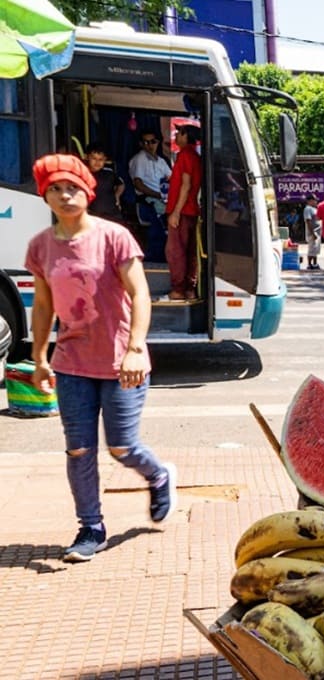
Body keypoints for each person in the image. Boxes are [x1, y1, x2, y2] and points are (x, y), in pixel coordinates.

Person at [23, 154, 176, 563]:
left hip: (120, 360)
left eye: (71, 187)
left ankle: (158, 475)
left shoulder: (114, 237)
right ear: (45, 196)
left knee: (122, 447)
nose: (64, 194)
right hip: (71, 362)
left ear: (87, 191)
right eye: (54, 188)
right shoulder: (41, 246)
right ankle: (90, 527)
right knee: (78, 450)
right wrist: (40, 357)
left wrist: (135, 348)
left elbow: (140, 294)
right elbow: (42, 306)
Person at [164, 125, 202, 300]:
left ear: (186, 136)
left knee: (176, 251)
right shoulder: (195, 156)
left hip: (183, 210)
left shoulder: (185, 155)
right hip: (192, 210)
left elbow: (185, 185)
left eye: (179, 133)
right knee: (190, 252)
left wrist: (176, 212)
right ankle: (189, 288)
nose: (176, 136)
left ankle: (178, 289)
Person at [129, 130, 171, 262]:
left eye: (153, 141)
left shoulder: (161, 161)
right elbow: (138, 184)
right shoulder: (140, 159)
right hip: (147, 201)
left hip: (163, 199)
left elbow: (171, 177)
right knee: (157, 230)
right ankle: (156, 258)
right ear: (141, 144)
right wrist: (158, 195)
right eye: (146, 142)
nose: (150, 145)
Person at [83, 143, 125, 222]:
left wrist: (117, 196)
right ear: (87, 157)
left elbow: (121, 184)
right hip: (93, 216)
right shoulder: (83, 174)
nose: (97, 162)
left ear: (105, 160)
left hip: (113, 215)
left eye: (101, 159)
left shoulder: (109, 173)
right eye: (94, 158)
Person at [303, 194, 322, 270]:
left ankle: (315, 264)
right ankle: (309, 264)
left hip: (317, 232)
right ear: (309, 201)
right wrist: (312, 233)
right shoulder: (308, 209)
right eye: (314, 200)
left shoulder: (315, 209)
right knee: (311, 249)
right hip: (312, 232)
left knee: (315, 249)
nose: (316, 201)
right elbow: (308, 221)